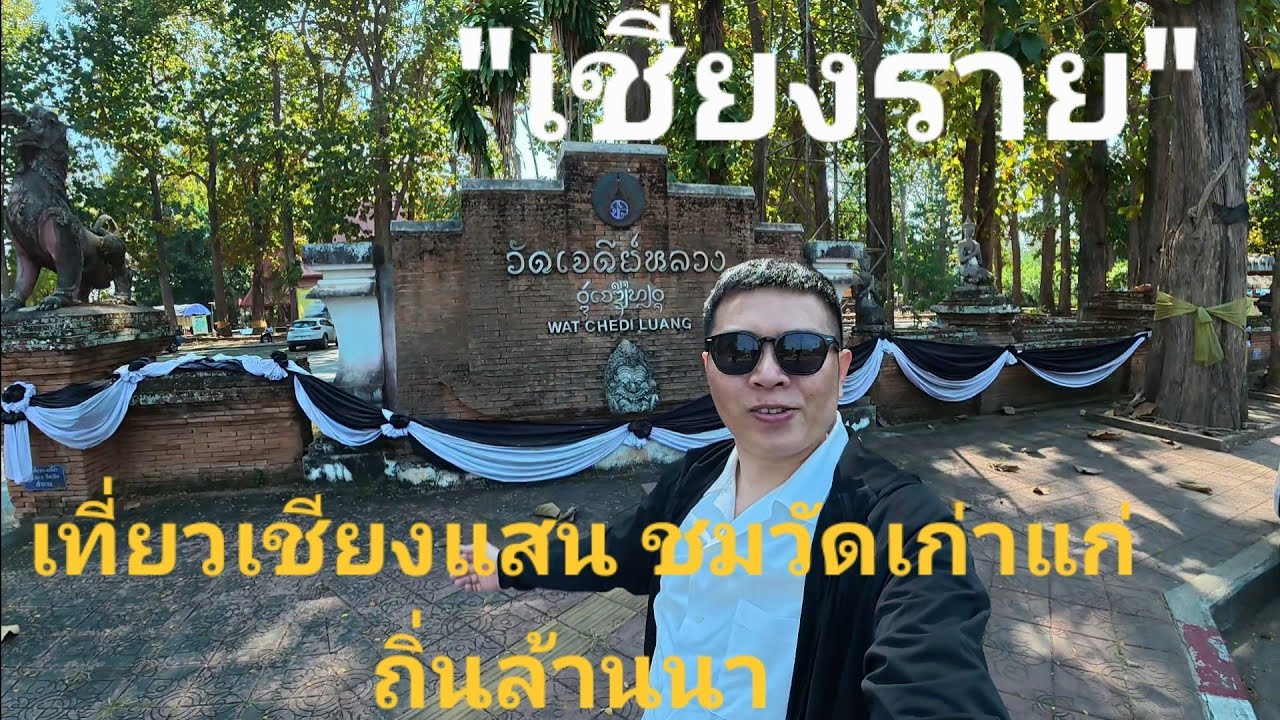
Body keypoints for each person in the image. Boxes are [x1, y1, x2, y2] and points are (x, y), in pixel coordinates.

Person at [456, 258, 1009, 719]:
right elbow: (617, 550)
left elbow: (934, 675)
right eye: (737, 352)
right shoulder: (692, 482)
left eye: (800, 351)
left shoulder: (904, 528)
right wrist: (509, 563)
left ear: (842, 371)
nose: (767, 374)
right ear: (709, 370)